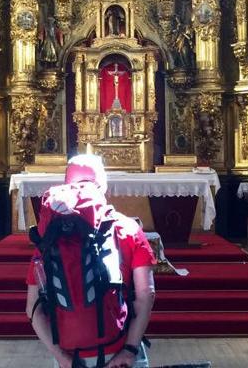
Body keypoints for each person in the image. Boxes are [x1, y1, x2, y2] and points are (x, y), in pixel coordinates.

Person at [26, 154, 156, 368]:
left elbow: (32, 307)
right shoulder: (128, 228)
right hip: (119, 347)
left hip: (71, 354)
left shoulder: (50, 234)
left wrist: (61, 357)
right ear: (103, 185)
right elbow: (146, 294)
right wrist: (130, 349)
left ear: (67, 184)